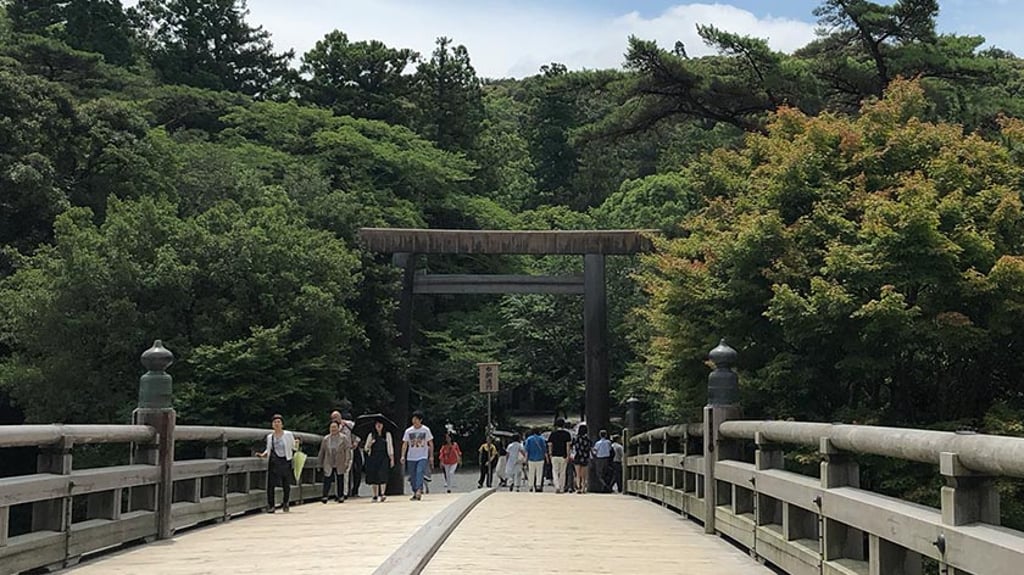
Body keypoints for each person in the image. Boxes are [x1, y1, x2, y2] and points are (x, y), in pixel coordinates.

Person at [256, 414, 296, 513]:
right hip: (274, 461)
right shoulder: (270, 437)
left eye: (279, 422)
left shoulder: (288, 434)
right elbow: (269, 448)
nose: (277, 424)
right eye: (275, 422)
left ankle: (286, 502)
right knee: (271, 483)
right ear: (272, 425)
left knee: (286, 483)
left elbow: (293, 447)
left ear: (282, 424)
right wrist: (263, 454)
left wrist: (297, 443)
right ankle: (271, 505)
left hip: (285, 460)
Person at [401, 411, 434, 501]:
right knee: (412, 475)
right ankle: (415, 491)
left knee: (419, 472)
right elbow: (405, 443)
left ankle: (419, 490)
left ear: (420, 420)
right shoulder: (408, 431)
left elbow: (430, 443)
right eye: (413, 419)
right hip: (411, 456)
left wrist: (431, 456)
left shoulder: (425, 430)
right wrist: (403, 455)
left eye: (416, 419)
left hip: (422, 455)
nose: (414, 421)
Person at [318, 421, 352, 503]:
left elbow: (347, 450)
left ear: (338, 428)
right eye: (331, 427)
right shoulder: (326, 439)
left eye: (335, 427)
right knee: (327, 479)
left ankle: (340, 496)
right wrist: (319, 463)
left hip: (339, 461)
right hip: (329, 461)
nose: (333, 429)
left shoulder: (343, 438)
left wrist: (347, 461)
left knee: (340, 479)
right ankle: (325, 496)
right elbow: (322, 451)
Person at [364, 417, 395, 502]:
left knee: (383, 474)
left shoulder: (387, 434)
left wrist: (392, 459)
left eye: (380, 424)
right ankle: (375, 495)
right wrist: (370, 444)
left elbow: (390, 447)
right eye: (377, 424)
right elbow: (366, 448)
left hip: (384, 456)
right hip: (373, 457)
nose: (379, 425)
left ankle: (382, 493)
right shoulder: (371, 435)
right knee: (374, 476)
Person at [547, 419, 572, 494]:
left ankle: (557, 486)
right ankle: (561, 487)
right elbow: (568, 446)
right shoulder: (567, 434)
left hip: (554, 455)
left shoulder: (553, 434)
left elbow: (550, 445)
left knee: (555, 471)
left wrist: (550, 454)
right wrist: (568, 455)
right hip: (563, 455)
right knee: (562, 472)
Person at [524, 428, 548, 493]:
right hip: (540, 458)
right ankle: (538, 485)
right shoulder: (542, 439)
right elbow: (544, 450)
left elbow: (527, 451)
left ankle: (530, 486)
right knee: (539, 473)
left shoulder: (529, 439)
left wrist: (525, 460)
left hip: (531, 459)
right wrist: (547, 458)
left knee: (531, 473)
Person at [571, 424, 592, 494]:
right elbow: (589, 448)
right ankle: (583, 487)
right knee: (584, 474)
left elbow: (572, 447)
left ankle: (578, 487)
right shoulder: (587, 439)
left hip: (577, 456)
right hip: (585, 457)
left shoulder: (576, 438)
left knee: (577, 474)